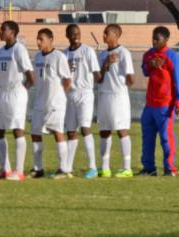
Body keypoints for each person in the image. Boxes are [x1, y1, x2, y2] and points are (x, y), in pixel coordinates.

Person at [139, 26, 179, 176]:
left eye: (157, 39)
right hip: (150, 104)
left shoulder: (172, 57)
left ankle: (169, 168)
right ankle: (149, 168)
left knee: (166, 137)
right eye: (153, 38)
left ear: (166, 40)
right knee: (147, 137)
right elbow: (145, 71)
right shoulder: (148, 55)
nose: (153, 41)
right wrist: (150, 65)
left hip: (165, 104)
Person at [29, 28, 72, 179]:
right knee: (34, 133)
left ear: (50, 39)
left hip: (55, 103)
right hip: (40, 101)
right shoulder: (37, 57)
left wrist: (59, 95)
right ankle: (38, 168)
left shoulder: (58, 56)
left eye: (41, 39)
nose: (38, 42)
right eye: (37, 38)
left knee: (57, 133)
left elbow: (67, 79)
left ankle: (63, 169)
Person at [0, 21, 33, 180]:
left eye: (3, 29)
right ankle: (5, 169)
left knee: (17, 129)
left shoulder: (19, 49)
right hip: (2, 92)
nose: (0, 31)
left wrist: (23, 90)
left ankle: (20, 171)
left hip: (16, 93)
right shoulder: (0, 51)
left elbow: (30, 76)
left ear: (13, 32)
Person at [96, 24, 135, 178]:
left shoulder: (124, 52)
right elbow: (98, 79)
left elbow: (130, 78)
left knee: (121, 129)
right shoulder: (101, 55)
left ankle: (127, 167)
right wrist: (106, 64)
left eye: (106, 33)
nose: (104, 36)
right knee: (104, 130)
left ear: (116, 35)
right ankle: (105, 167)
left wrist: (121, 85)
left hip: (118, 95)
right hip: (104, 94)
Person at [62, 24, 101, 179]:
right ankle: (67, 168)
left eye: (78, 33)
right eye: (72, 34)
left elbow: (96, 74)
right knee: (71, 132)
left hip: (85, 94)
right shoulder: (64, 54)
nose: (75, 36)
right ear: (67, 35)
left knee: (85, 128)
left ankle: (93, 167)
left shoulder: (87, 51)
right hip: (70, 95)